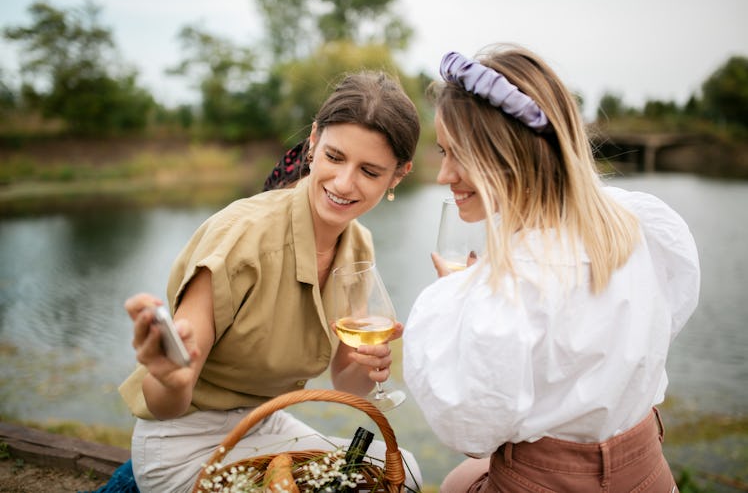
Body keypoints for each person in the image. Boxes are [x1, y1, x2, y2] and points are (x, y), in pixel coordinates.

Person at [403, 45, 700, 492]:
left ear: (509, 154)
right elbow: (667, 317)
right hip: (647, 474)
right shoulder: (637, 223)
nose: (444, 174)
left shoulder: (509, 286)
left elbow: (471, 436)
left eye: (457, 154)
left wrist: (465, 308)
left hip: (544, 483)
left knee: (453, 481)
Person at [119, 70, 422, 493]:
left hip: (264, 423)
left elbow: (344, 382)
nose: (343, 183)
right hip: (184, 441)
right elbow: (169, 402)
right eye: (335, 157)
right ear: (314, 141)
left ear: (398, 175)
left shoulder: (359, 247)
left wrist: (367, 367)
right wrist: (170, 378)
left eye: (370, 171)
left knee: (404, 472)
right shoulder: (239, 238)